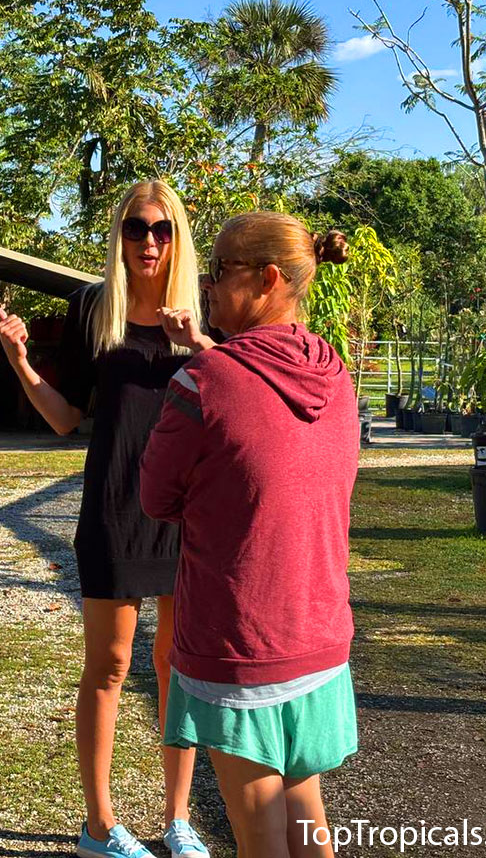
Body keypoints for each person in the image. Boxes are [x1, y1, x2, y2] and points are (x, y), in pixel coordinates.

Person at [0, 180, 213, 858]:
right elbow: (65, 418)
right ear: (119, 235)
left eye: (162, 229)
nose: (149, 241)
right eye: (136, 228)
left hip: (188, 515)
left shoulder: (206, 318)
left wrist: (197, 341)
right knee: (111, 665)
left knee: (178, 664)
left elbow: (238, 403)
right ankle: (99, 827)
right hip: (116, 507)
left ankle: (179, 820)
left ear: (178, 237)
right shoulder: (93, 310)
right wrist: (20, 361)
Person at [140, 212, 359, 858]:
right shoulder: (336, 376)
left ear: (267, 279)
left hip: (242, 650)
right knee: (305, 816)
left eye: (221, 271)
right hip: (319, 642)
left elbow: (155, 497)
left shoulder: (199, 386)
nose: (206, 285)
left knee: (258, 835)